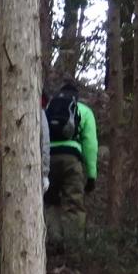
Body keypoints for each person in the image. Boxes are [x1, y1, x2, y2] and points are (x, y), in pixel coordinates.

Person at [45, 80, 99, 219]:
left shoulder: (49, 108)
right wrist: (91, 176)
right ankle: (72, 240)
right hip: (71, 159)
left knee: (50, 202)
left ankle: (52, 239)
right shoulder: (84, 111)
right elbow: (90, 144)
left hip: (48, 157)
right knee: (73, 205)